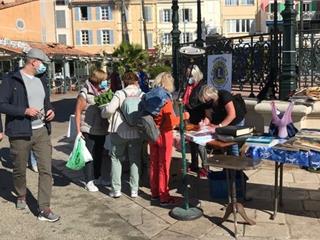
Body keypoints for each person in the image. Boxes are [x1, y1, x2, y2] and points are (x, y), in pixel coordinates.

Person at [0, 48, 60, 222]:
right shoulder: (11, 79)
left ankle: (44, 208)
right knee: (19, 169)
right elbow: (1, 104)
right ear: (34, 62)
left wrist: (51, 110)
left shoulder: (41, 80)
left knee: (46, 170)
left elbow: (46, 102)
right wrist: (24, 110)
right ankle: (21, 195)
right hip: (20, 132)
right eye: (42, 64)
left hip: (42, 130)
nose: (44, 68)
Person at [149, 72, 189, 206]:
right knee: (164, 166)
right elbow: (172, 121)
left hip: (152, 132)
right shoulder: (165, 99)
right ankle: (164, 196)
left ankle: (154, 193)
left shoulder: (150, 96)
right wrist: (185, 115)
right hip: (165, 134)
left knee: (154, 164)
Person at [101, 72, 143, 198]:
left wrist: (103, 112)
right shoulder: (142, 94)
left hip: (119, 131)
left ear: (124, 82)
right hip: (137, 132)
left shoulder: (120, 94)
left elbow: (109, 110)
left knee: (116, 158)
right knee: (135, 160)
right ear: (136, 81)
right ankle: (134, 189)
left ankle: (116, 189)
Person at [75, 69, 109, 192]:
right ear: (98, 80)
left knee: (99, 153)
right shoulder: (85, 93)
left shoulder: (103, 92)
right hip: (88, 128)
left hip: (101, 127)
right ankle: (89, 180)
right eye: (104, 79)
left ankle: (98, 176)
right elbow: (78, 112)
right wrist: (78, 131)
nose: (106, 82)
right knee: (88, 155)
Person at [198, 85, 246, 156]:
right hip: (223, 119)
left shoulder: (224, 96)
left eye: (207, 100)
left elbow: (232, 115)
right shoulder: (207, 102)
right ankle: (227, 164)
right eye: (205, 101)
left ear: (212, 96)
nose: (206, 102)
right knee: (224, 144)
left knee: (233, 143)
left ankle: (235, 164)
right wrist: (204, 123)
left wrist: (218, 126)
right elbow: (208, 116)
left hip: (236, 119)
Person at [182, 65, 208, 178]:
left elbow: (204, 103)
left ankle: (206, 167)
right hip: (191, 118)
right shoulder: (189, 86)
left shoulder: (202, 86)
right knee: (192, 143)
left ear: (196, 75)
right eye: (187, 75)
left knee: (200, 144)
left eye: (190, 75)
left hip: (200, 118)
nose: (189, 77)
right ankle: (194, 164)